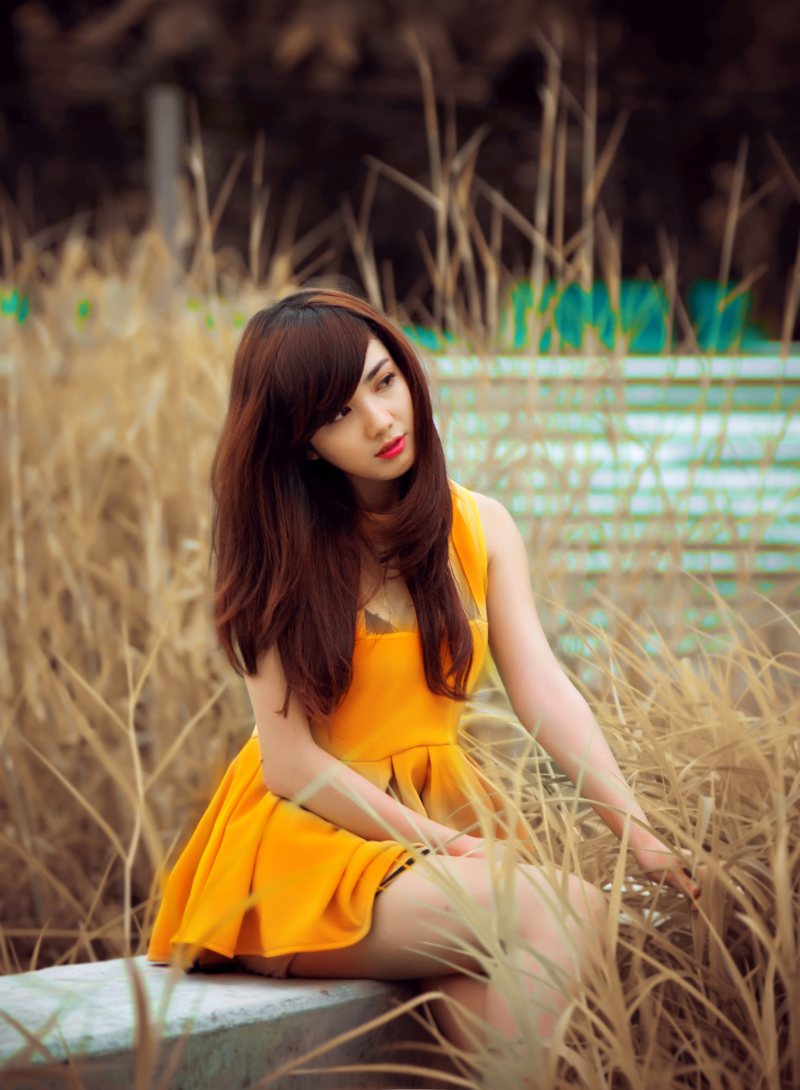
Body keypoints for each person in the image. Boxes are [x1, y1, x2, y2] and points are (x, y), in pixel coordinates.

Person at [148, 287, 700, 1070]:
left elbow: (543, 689)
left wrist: (639, 836)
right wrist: (448, 846)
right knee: (558, 910)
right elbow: (291, 763)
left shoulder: (480, 525)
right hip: (313, 842)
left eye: (383, 381)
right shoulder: (282, 548)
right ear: (302, 442)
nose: (380, 420)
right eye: (337, 413)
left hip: (437, 835)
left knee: (499, 1015)